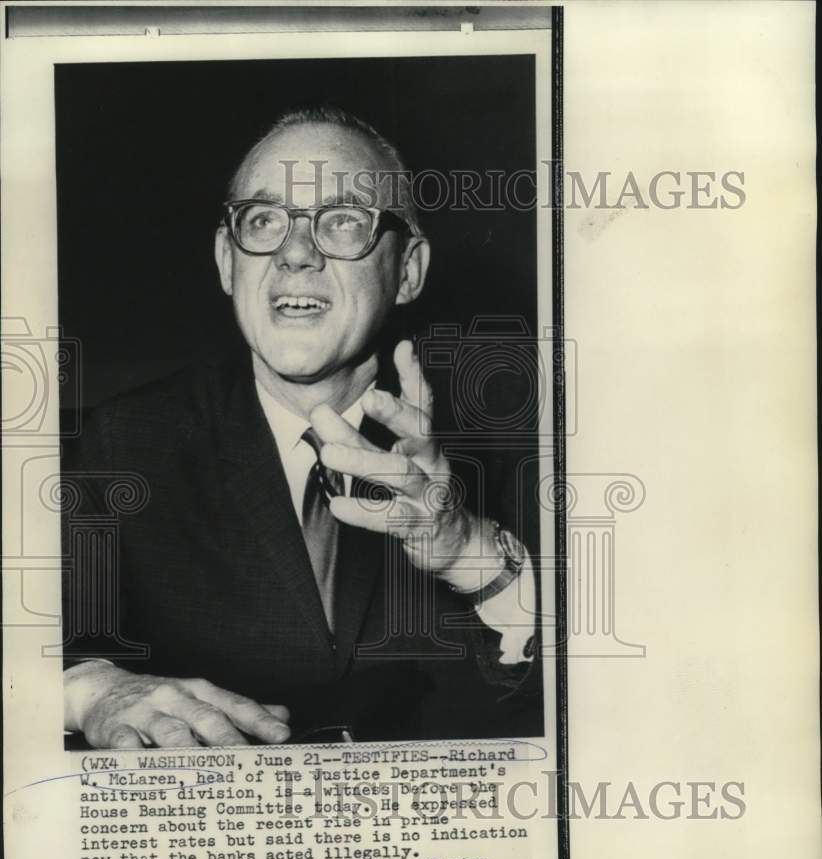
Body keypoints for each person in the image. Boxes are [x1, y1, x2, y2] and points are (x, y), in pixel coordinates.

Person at [61, 106, 541, 749]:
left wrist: (468, 551)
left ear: (408, 270)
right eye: (263, 220)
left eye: (342, 220)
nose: (294, 254)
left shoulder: (529, 442)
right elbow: (34, 656)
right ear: (228, 262)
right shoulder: (122, 444)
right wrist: (95, 690)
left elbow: (629, 694)